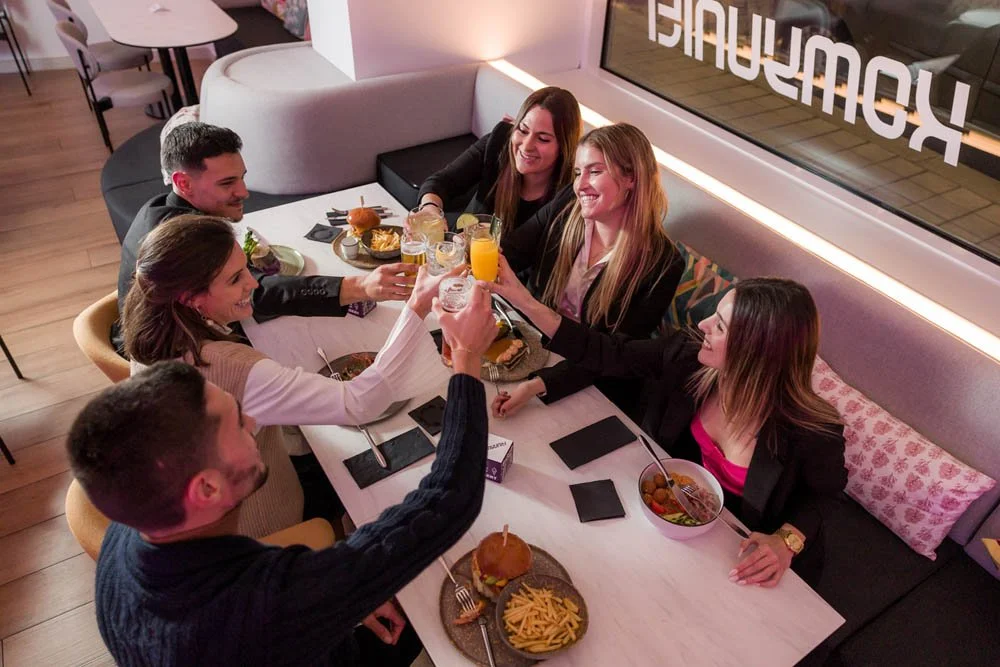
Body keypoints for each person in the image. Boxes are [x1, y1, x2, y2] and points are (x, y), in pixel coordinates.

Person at [69, 286, 499, 666]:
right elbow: (449, 498)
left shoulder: (127, 535)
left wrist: (328, 603)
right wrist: (466, 358)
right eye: (238, 422)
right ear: (206, 488)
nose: (254, 421)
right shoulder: (268, 604)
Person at [491, 273, 847, 586]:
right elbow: (608, 352)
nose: (704, 324)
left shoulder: (814, 432)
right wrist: (523, 300)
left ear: (756, 353)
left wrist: (786, 541)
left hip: (733, 558)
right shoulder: (685, 356)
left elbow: (824, 497)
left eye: (720, 326)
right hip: (663, 527)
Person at [121, 214, 458, 538]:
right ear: (190, 299)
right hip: (259, 522)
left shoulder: (152, 320)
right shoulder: (228, 367)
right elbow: (359, 402)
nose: (253, 283)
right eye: (235, 279)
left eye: (246, 271)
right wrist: (416, 309)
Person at [117, 122, 412, 341]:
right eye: (227, 183)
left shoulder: (160, 207)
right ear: (183, 183)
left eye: (242, 178)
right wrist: (361, 287)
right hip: (174, 356)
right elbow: (259, 292)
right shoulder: (186, 239)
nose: (243, 192)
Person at [495, 123, 684, 416]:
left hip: (588, 383)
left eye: (594, 172)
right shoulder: (566, 206)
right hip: (528, 349)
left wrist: (537, 384)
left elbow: (612, 356)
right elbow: (511, 252)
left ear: (631, 177)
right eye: (577, 172)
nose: (580, 185)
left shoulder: (662, 263)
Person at [417, 87, 582, 233]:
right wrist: (430, 209)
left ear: (564, 147)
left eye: (543, 139)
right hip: (453, 254)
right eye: (523, 130)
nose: (526, 146)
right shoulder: (501, 141)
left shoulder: (569, 195)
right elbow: (441, 182)